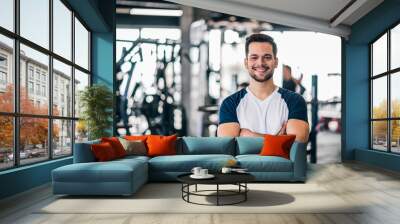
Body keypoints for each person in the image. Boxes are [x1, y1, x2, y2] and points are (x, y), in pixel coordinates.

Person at [217, 33, 309, 142]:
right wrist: (278, 140)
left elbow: (297, 143)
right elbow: (228, 146)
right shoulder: (230, 103)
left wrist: (248, 135)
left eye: (267, 57)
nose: (260, 63)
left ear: (276, 62)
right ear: (246, 63)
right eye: (254, 57)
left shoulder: (295, 101)